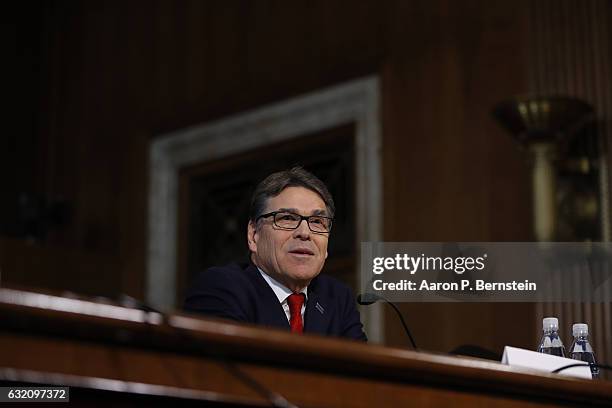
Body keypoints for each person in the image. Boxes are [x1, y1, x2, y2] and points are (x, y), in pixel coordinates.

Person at [184, 166, 367, 341]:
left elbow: (362, 371)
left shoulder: (337, 298)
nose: (305, 233)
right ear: (253, 235)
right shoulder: (222, 287)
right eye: (287, 218)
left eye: (317, 221)